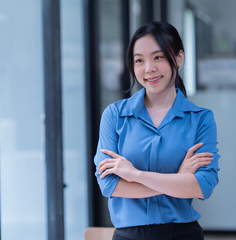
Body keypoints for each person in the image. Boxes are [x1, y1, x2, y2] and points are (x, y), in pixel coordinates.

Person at [94, 21, 220, 240]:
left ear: (179, 58)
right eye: (139, 60)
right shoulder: (115, 115)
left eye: (158, 57)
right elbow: (109, 185)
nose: (148, 68)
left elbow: (202, 186)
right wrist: (178, 179)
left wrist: (135, 175)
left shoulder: (201, 119)